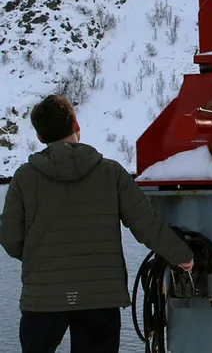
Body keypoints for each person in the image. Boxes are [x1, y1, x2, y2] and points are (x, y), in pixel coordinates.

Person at [0, 95, 194, 353]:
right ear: (76, 125)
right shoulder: (110, 172)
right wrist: (183, 256)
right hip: (99, 299)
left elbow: (10, 237)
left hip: (43, 301)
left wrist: (39, 259)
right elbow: (147, 225)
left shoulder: (24, 178)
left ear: (40, 137)